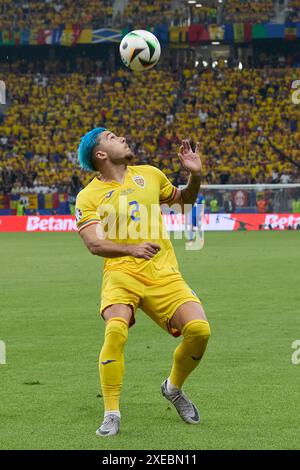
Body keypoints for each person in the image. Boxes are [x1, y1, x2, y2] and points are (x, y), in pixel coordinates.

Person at [75, 127, 211, 437]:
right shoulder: (88, 196)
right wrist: (131, 249)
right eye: (111, 137)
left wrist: (196, 176)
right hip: (121, 273)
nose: (121, 137)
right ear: (100, 155)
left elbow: (184, 203)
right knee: (116, 330)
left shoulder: (150, 174)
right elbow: (94, 244)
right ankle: (111, 413)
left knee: (200, 331)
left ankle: (173, 388)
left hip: (163, 272)